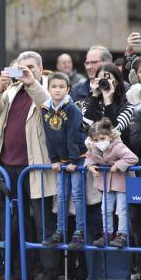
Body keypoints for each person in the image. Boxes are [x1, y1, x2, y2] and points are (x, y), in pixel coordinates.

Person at [0, 51, 58, 280]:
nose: (25, 72)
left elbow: (48, 105)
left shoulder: (47, 88)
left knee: (42, 222)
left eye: (29, 67)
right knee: (14, 222)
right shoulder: (13, 90)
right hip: (8, 166)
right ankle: (17, 270)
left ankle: (48, 272)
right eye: (20, 68)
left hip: (34, 166)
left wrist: (31, 81)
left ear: (40, 68)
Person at [36, 72, 87, 249]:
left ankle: (79, 232)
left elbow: (73, 135)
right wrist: (54, 159)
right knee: (62, 196)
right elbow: (48, 136)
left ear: (68, 89)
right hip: (61, 160)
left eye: (61, 87)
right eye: (54, 86)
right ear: (48, 88)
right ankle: (60, 231)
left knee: (78, 195)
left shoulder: (72, 108)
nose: (57, 90)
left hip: (77, 158)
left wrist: (73, 160)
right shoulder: (45, 108)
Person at [84, 118, 138, 249]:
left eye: (102, 139)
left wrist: (118, 164)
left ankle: (122, 235)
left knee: (121, 210)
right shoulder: (94, 148)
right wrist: (89, 166)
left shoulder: (118, 146)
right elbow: (89, 157)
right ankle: (107, 234)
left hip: (122, 183)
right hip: (106, 184)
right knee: (105, 210)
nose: (99, 142)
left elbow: (133, 158)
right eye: (96, 140)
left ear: (110, 136)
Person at [82, 63, 134, 143]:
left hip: (118, 152)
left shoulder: (127, 106)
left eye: (108, 80)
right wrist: (95, 96)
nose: (104, 83)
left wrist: (108, 102)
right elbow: (85, 125)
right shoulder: (89, 101)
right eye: (101, 80)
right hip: (95, 151)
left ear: (116, 82)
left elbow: (115, 131)